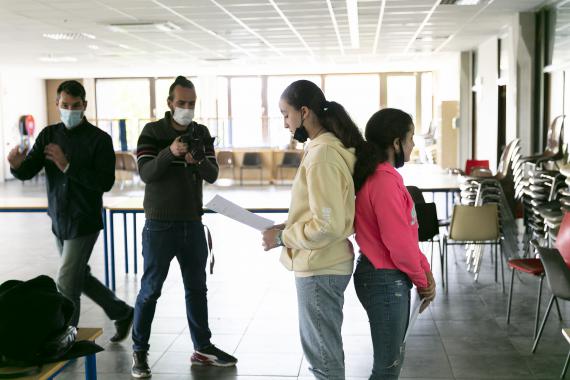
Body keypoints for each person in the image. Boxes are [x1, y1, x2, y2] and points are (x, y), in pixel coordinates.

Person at [7, 80, 134, 340]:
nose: (70, 110)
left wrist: (67, 166)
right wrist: (16, 165)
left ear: (84, 105)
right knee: (79, 276)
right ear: (57, 105)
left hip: (84, 221)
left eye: (75, 105)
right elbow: (28, 169)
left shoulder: (99, 139)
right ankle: (121, 312)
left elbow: (105, 182)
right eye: (65, 105)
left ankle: (65, 338)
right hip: (59, 218)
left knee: (66, 282)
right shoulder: (48, 135)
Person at [131, 76, 237, 378]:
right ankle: (139, 351)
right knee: (151, 290)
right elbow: (146, 172)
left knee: (197, 288)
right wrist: (170, 152)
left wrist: (198, 159)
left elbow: (213, 174)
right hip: (159, 225)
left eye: (191, 104)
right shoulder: (152, 132)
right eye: (182, 103)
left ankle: (202, 346)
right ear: (169, 103)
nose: (187, 109)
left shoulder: (200, 133)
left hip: (192, 222)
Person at [262, 80, 365, 380]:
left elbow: (327, 224)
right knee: (325, 352)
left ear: (304, 112)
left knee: (323, 358)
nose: (284, 123)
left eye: (285, 114)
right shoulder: (323, 148)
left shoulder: (322, 155)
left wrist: (283, 236)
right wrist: (287, 225)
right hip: (324, 263)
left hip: (321, 266)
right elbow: (322, 212)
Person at [352, 108, 437, 380]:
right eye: (410, 137)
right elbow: (399, 244)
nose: (413, 145)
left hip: (383, 276)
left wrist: (425, 271)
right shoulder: (383, 181)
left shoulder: (383, 177)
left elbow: (408, 234)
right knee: (388, 367)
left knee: (390, 363)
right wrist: (422, 281)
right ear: (396, 142)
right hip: (383, 279)